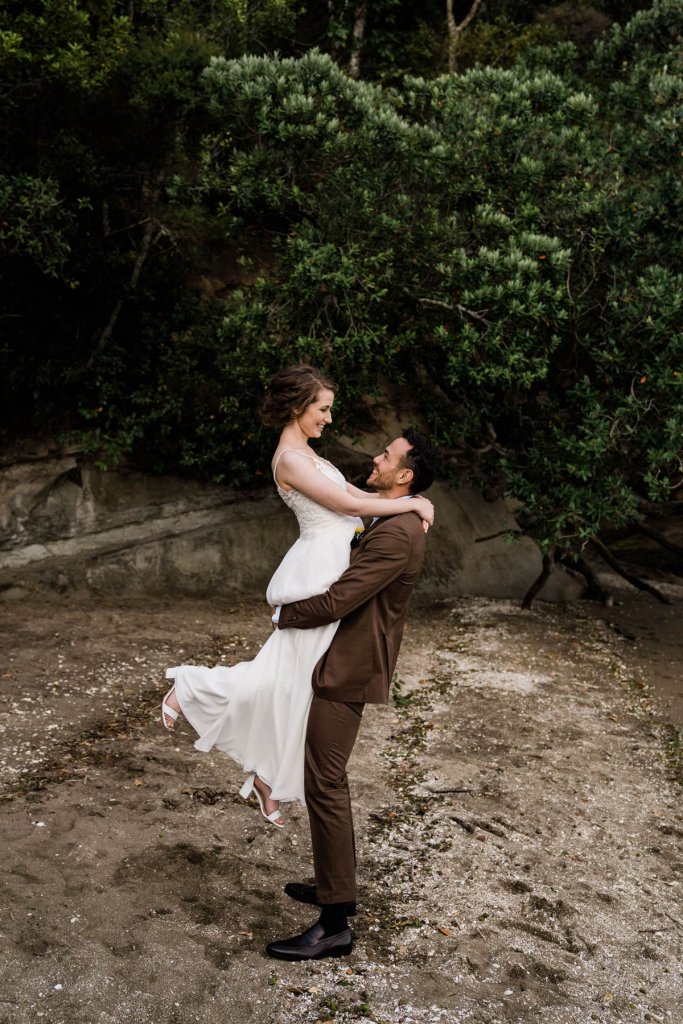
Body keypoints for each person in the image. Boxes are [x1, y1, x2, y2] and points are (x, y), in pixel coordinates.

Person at [161, 365, 434, 829]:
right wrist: (408, 502)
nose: (329, 418)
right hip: (317, 570)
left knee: (294, 683)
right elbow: (349, 507)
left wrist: (401, 506)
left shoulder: (309, 454)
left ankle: (269, 779)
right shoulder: (289, 459)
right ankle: (188, 688)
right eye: (323, 409)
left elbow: (348, 492)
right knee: (283, 678)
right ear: (297, 407)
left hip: (331, 563)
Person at [266, 428, 442, 961]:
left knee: (325, 782)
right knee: (323, 776)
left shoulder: (397, 532)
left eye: (386, 456)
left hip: (347, 669)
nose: (376, 457)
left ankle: (336, 921)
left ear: (404, 475)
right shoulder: (389, 517)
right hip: (337, 659)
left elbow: (342, 598)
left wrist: (284, 614)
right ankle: (331, 888)